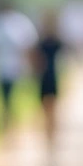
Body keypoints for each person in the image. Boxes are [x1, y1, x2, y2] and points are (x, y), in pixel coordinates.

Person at [0, 0, 39, 135]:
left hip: (15, 68)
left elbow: (28, 45)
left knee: (11, 97)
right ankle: (5, 125)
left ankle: (10, 125)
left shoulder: (19, 22)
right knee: (2, 98)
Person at [32, 9, 65, 147]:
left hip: (49, 77)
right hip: (47, 77)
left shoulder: (51, 42)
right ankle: (49, 135)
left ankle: (50, 135)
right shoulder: (50, 42)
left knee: (50, 110)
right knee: (49, 110)